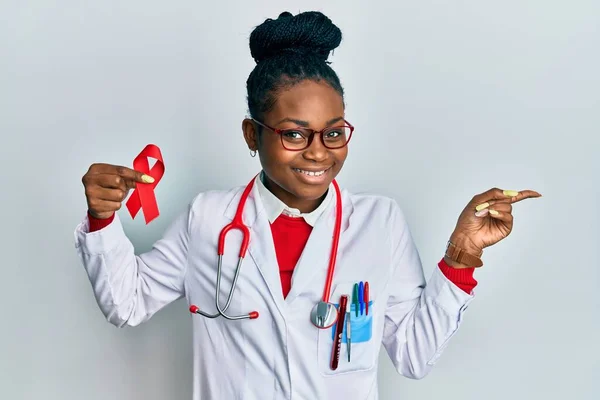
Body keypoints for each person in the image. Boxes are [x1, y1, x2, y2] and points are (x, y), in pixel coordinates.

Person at [74, 11, 541, 400]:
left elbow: (414, 357)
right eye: (294, 134)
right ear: (252, 135)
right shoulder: (209, 219)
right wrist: (102, 219)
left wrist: (462, 255)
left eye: (333, 132)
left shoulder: (380, 222)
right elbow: (126, 304)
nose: (318, 152)